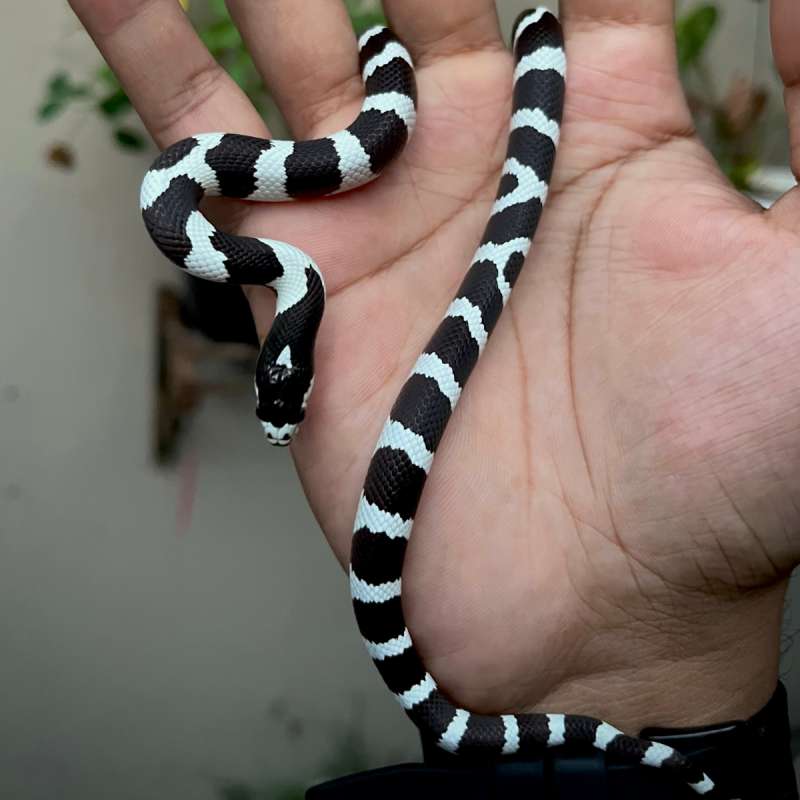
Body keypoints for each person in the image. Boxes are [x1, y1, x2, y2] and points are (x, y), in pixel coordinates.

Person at [70, 0, 800, 767]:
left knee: (489, 58)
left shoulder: (282, 269)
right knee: (439, 83)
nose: (287, 421)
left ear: (285, 365)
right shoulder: (272, 265)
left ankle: (506, 39)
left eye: (282, 402)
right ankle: (485, 42)